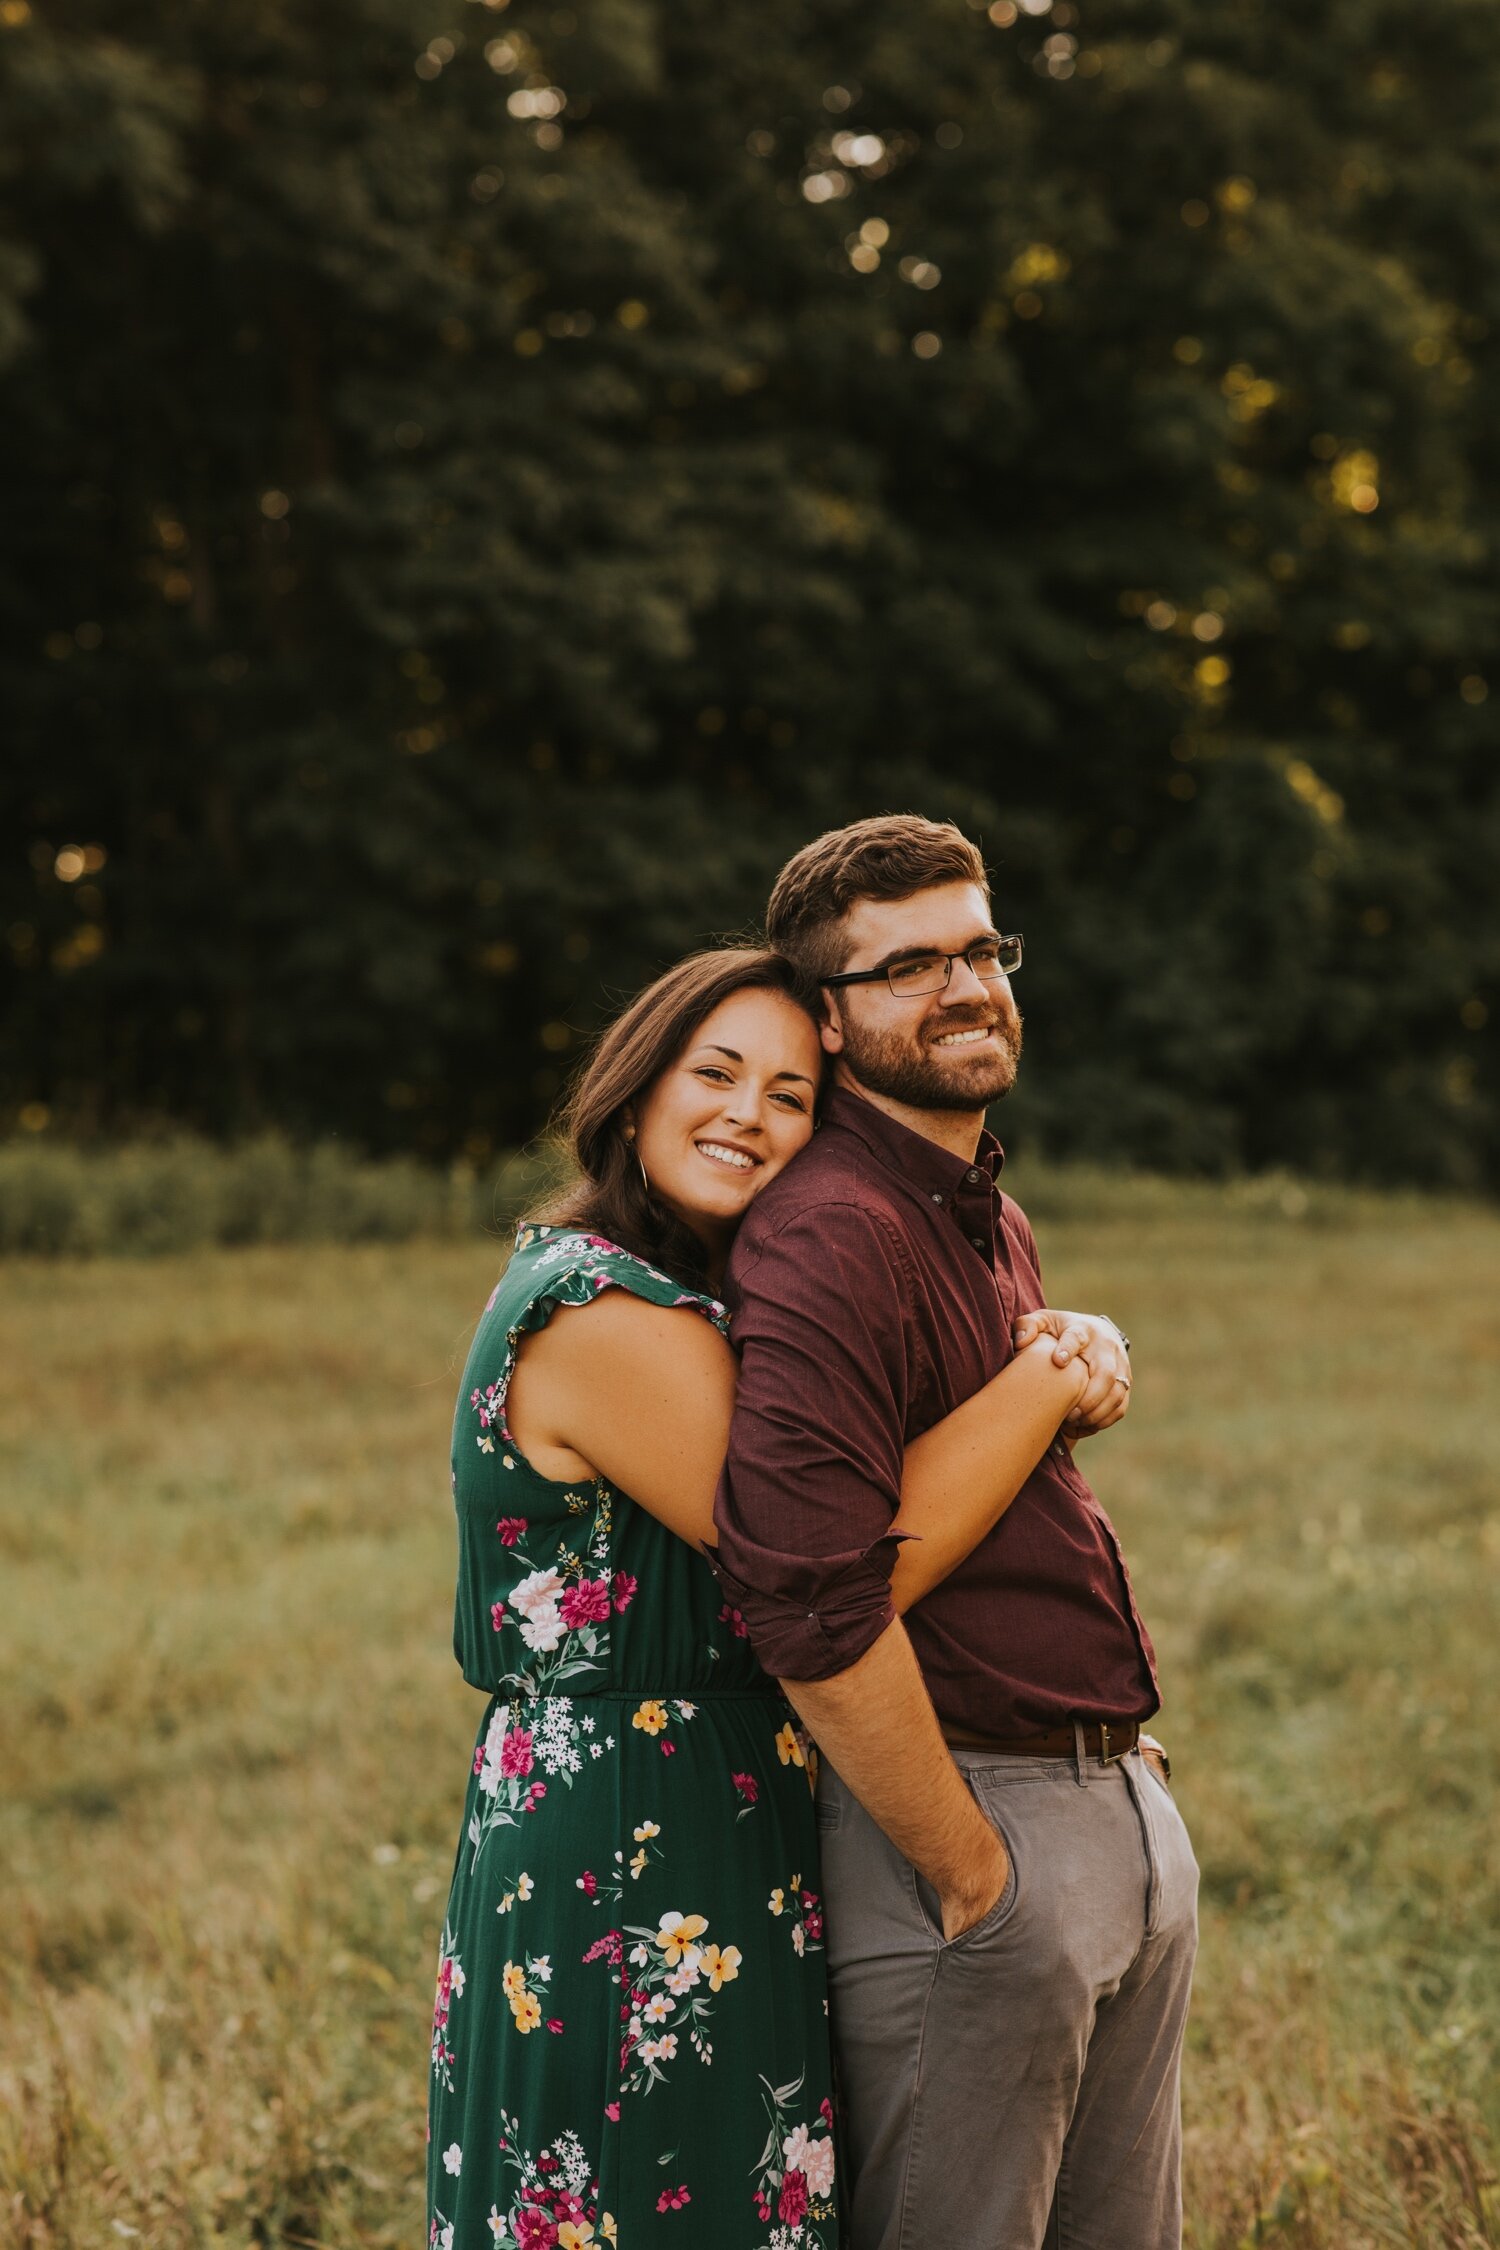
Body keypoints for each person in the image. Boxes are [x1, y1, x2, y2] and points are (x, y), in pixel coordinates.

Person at [425, 945, 1118, 2249]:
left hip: (723, 1819)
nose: (751, 1113)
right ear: (635, 1094)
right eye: (717, 1073)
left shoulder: (681, 1295)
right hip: (633, 1854)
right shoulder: (604, 1312)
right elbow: (848, 1566)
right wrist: (1045, 1382)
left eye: (792, 1094)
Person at [712, 814, 1200, 2250]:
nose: (969, 983)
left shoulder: (980, 1200)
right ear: (831, 1018)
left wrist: (1113, 1771)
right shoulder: (830, 1227)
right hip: (970, 1848)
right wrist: (976, 1872)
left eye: (982, 945)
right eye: (911, 963)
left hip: (1104, 1807)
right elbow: (801, 1595)